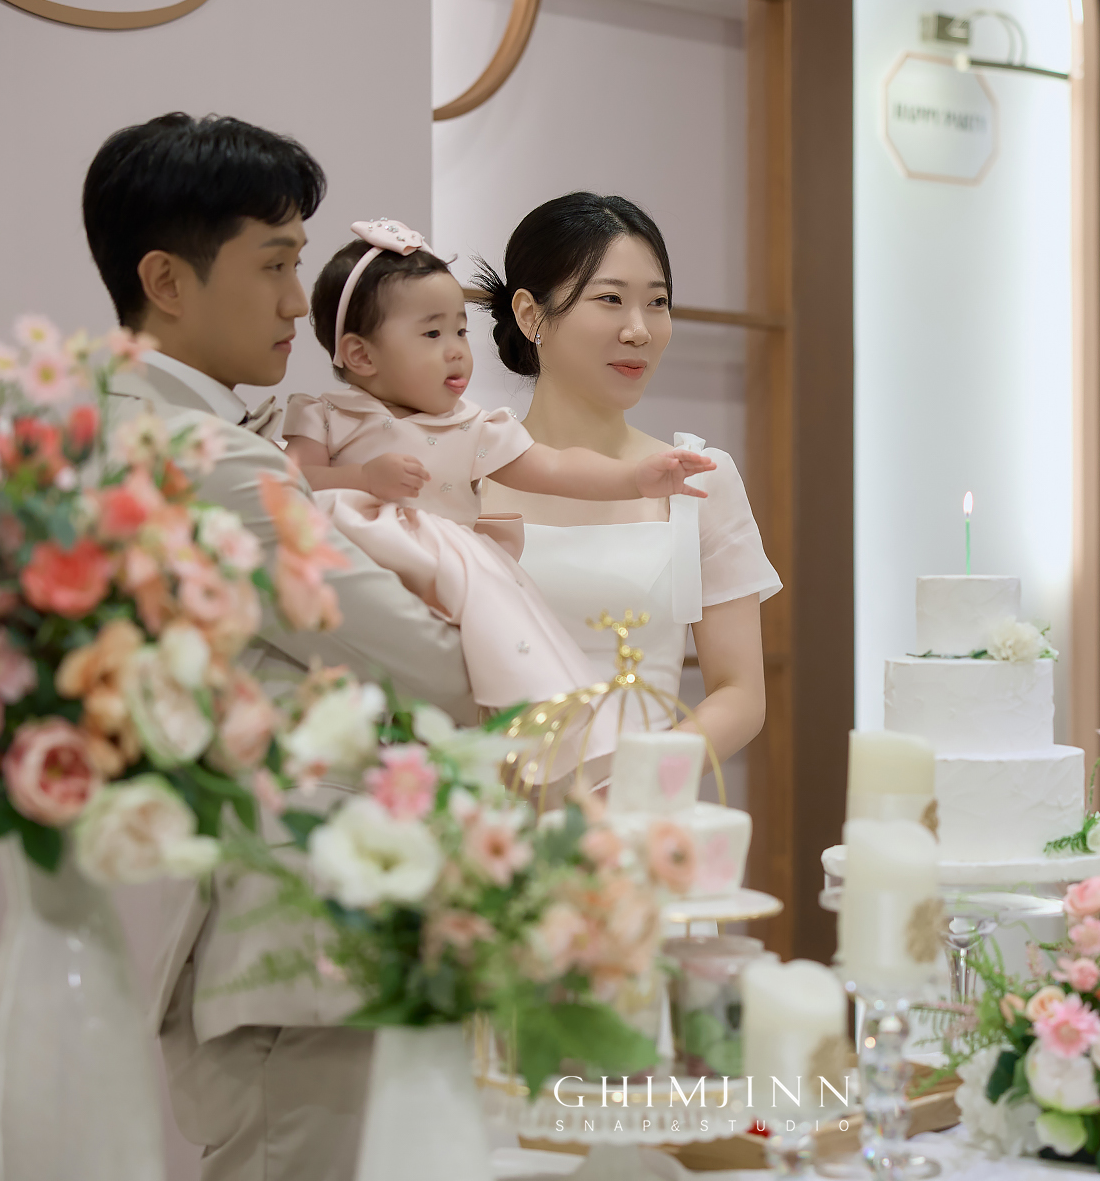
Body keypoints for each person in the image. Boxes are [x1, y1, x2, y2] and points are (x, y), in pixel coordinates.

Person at [82, 114, 474, 1181]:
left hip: (297, 934)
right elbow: (432, 664)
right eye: (274, 264)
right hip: (301, 942)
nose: (298, 302)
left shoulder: (143, 424)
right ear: (166, 279)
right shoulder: (200, 453)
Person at [284, 218, 716, 727]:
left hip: (446, 578)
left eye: (460, 331)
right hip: (341, 580)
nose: (455, 349)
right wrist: (363, 480)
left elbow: (552, 466)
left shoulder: (473, 427)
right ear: (360, 354)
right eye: (431, 333)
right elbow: (290, 483)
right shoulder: (324, 416)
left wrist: (633, 479)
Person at [479, 193, 780, 762]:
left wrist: (636, 784)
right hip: (485, 805)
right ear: (530, 314)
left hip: (641, 805)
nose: (640, 330)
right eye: (610, 300)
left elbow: (740, 694)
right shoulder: (465, 475)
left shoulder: (699, 479)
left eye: (657, 303)